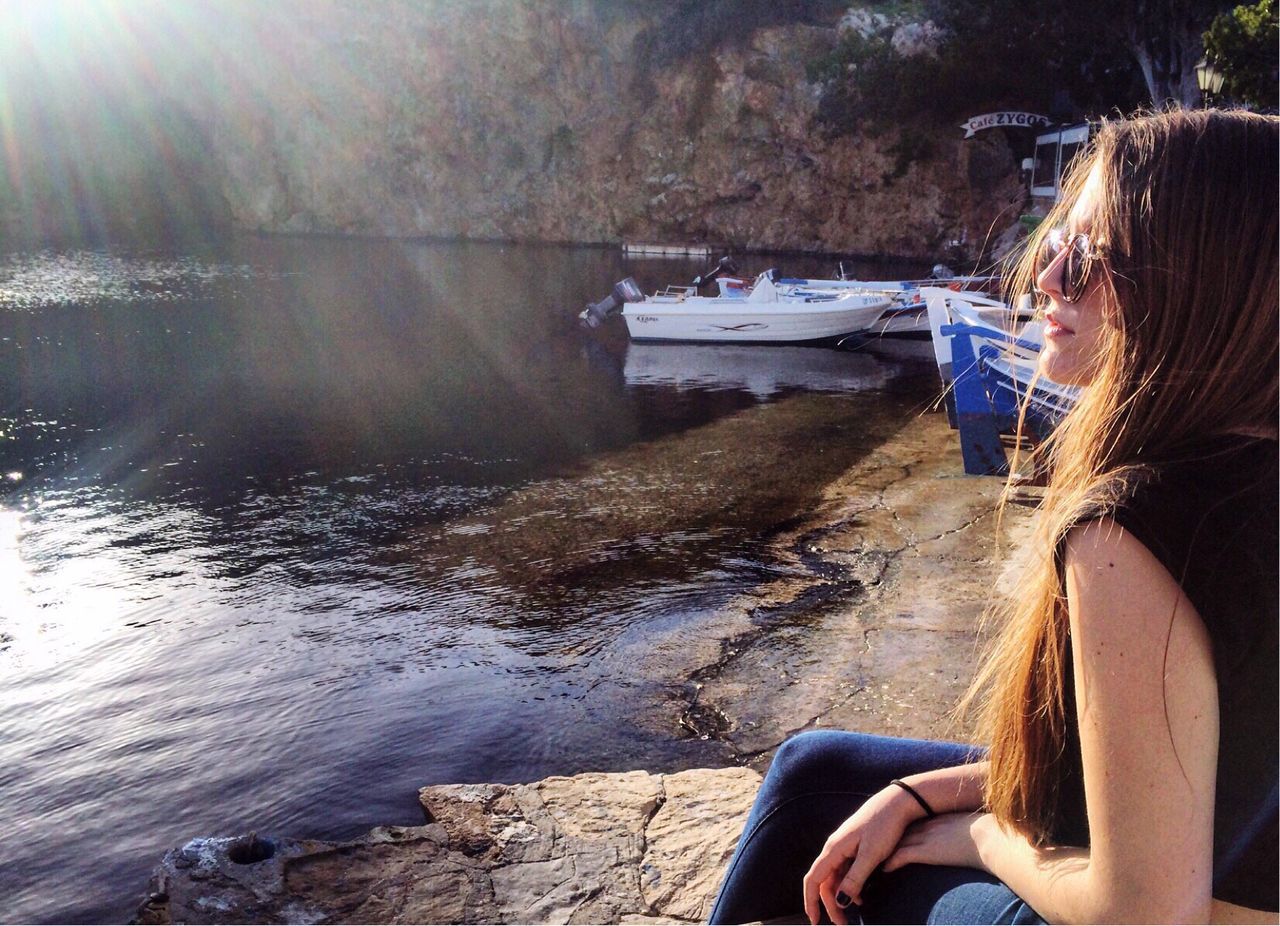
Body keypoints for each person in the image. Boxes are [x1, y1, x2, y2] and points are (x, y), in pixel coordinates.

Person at [708, 108, 1278, 925]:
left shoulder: (1138, 526)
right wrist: (923, 791)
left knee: (855, 854)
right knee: (815, 770)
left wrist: (976, 835)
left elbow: (1145, 913)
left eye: (1087, 258)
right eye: (1054, 248)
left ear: (1195, 283)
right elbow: (1194, 754)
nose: (1047, 281)